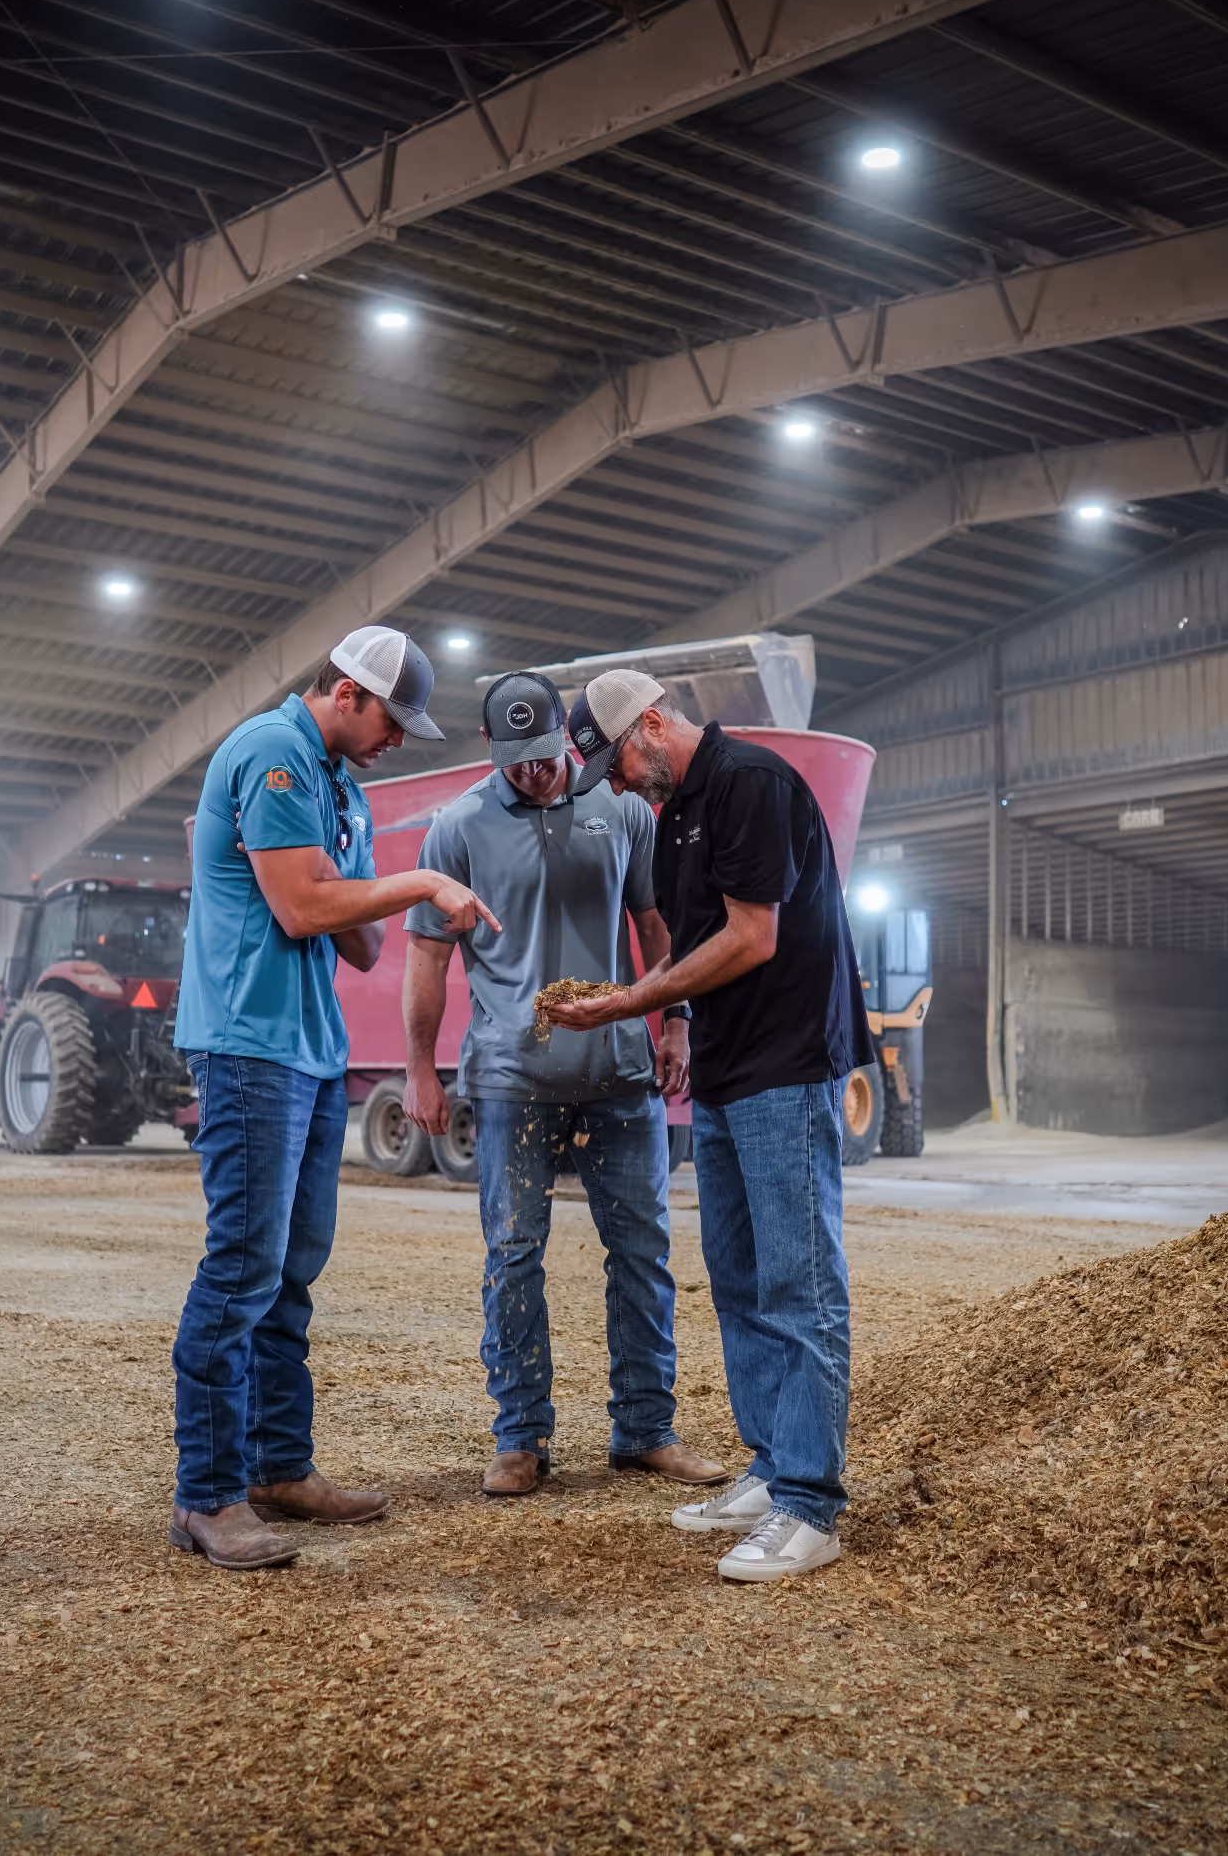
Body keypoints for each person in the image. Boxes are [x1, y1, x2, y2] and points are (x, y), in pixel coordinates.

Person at [168, 626, 500, 1572]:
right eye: (393, 720)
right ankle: (208, 1495)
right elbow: (306, 911)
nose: (399, 738)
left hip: (309, 1048)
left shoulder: (341, 785)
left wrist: (385, 889)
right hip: (247, 1041)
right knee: (240, 1267)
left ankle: (277, 1467)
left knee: (290, 1269)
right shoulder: (272, 754)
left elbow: (355, 941)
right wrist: (420, 879)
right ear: (347, 692)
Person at [545, 668, 874, 1585]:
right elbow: (690, 943)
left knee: (799, 1282)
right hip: (727, 1075)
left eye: (617, 761)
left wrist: (631, 1004)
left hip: (785, 1066)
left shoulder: (751, 785)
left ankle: (812, 1503)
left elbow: (751, 936)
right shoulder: (676, 815)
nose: (615, 781)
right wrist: (674, 1023)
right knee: (738, 1278)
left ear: (653, 723)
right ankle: (771, 1468)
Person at [401, 673, 730, 1500]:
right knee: (513, 1254)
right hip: (511, 1079)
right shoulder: (457, 829)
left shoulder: (620, 809)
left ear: (567, 735)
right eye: (516, 761)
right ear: (492, 751)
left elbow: (657, 925)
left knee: (644, 1252)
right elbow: (428, 960)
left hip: (620, 1073)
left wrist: (676, 1020)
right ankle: (520, 1436)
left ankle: (646, 1430)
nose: (534, 772)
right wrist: (418, 1068)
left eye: (546, 755)